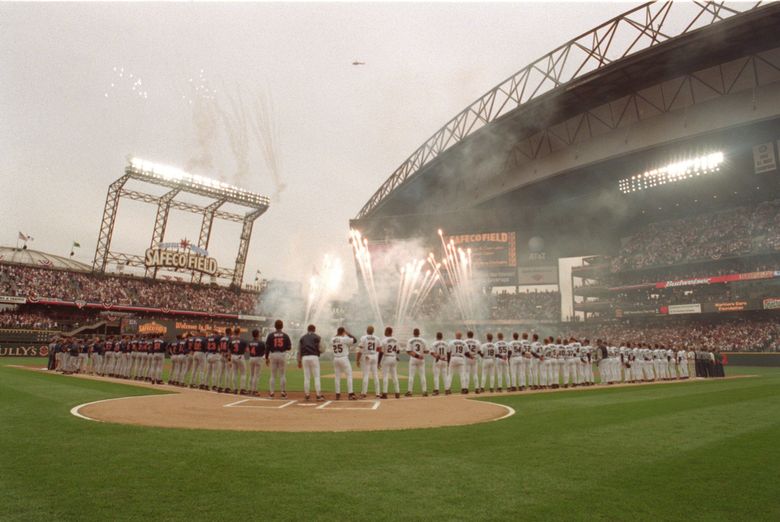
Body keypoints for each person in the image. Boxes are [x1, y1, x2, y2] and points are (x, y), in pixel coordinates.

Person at [265, 320, 292, 398]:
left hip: (273, 354)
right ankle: (283, 393)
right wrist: (284, 347)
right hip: (282, 354)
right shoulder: (285, 335)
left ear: (275, 326)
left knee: (273, 375)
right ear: (282, 326)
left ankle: (271, 393)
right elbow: (289, 347)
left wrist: (266, 358)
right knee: (282, 375)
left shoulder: (270, 335)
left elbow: (267, 347)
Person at [298, 324, 324, 401]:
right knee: (316, 377)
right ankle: (318, 395)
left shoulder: (302, 338)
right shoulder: (318, 337)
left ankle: (307, 395)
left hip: (304, 358)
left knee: (307, 377)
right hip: (314, 356)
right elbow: (322, 348)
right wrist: (319, 351)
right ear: (314, 330)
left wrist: (299, 361)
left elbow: (299, 350)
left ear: (307, 329)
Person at [331, 327, 357, 400]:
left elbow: (337, 337)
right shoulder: (344, 338)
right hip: (343, 358)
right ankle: (350, 393)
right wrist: (348, 333)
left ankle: (337, 394)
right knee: (349, 375)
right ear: (343, 332)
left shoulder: (332, 339)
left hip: (336, 358)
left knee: (337, 377)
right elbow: (355, 340)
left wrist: (341, 333)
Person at [357, 325, 381, 399]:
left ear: (367, 331)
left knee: (366, 375)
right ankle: (377, 393)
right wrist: (374, 354)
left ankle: (364, 393)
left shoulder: (363, 338)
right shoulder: (377, 338)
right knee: (375, 375)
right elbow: (379, 349)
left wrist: (357, 359)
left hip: (367, 356)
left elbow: (360, 350)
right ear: (373, 331)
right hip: (374, 356)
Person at [379, 326, 401, 399]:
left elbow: (381, 352)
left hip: (387, 358)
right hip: (394, 358)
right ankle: (397, 393)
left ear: (388, 332)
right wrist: (395, 355)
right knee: (394, 376)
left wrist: (378, 362)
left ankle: (385, 393)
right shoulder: (396, 340)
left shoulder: (384, 340)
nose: (384, 332)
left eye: (385, 331)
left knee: (385, 376)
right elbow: (398, 351)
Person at [405, 328, 428, 397]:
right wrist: (421, 354)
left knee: (411, 376)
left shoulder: (410, 340)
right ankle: (424, 391)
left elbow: (408, 351)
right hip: (421, 359)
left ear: (413, 333)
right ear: (419, 333)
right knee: (422, 375)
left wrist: (417, 355)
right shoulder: (423, 340)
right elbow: (427, 351)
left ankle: (410, 391)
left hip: (413, 358)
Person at [247, 329, 266, 396]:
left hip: (251, 358)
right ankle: (255, 390)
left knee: (251, 375)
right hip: (258, 358)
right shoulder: (261, 342)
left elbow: (249, 350)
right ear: (258, 334)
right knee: (256, 376)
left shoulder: (250, 342)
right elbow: (264, 351)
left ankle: (249, 390)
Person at [230, 327, 248, 395]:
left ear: (234, 332)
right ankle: (242, 389)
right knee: (243, 373)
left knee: (234, 373)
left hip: (233, 356)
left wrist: (229, 360)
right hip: (240, 356)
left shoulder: (231, 341)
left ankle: (235, 389)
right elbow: (247, 350)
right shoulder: (243, 340)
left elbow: (229, 351)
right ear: (239, 332)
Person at [430, 332, 448, 396]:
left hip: (438, 360)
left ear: (436, 336)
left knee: (436, 376)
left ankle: (436, 390)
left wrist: (438, 356)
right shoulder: (446, 343)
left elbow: (432, 353)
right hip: (445, 360)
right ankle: (447, 390)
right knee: (445, 376)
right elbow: (448, 352)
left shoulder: (434, 343)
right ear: (442, 336)